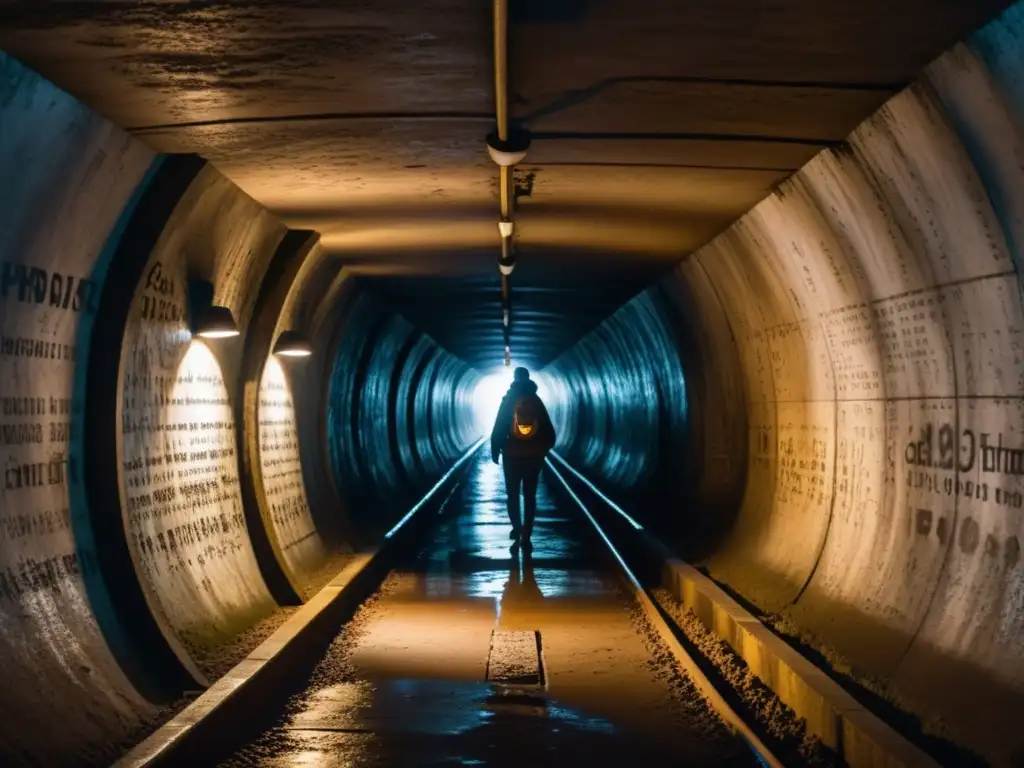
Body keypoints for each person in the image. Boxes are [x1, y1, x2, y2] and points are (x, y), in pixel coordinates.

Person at [490, 367, 556, 550]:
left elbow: (499, 425)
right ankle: (527, 533)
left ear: (514, 379)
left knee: (512, 494)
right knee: (530, 495)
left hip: (511, 454)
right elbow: (549, 431)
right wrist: (543, 448)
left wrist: (495, 448)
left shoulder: (509, 400)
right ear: (528, 379)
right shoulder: (536, 400)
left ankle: (516, 529)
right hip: (534, 456)